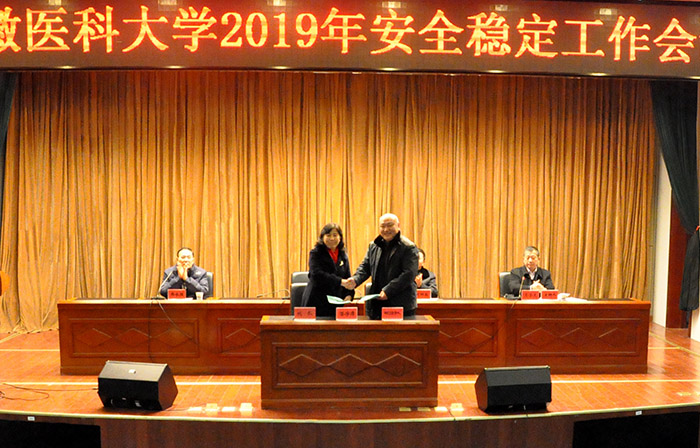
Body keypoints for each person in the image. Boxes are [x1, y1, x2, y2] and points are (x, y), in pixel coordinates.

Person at [342, 213, 419, 319]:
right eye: (383, 226)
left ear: (398, 225)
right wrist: (355, 280)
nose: (386, 229)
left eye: (390, 225)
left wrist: (388, 290)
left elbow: (409, 274)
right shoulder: (374, 245)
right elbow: (365, 267)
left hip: (400, 304)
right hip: (377, 303)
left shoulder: (408, 247)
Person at [300, 223, 355, 318]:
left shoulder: (343, 255)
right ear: (322, 237)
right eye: (328, 235)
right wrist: (340, 281)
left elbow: (347, 277)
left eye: (335, 235)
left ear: (340, 238)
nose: (332, 238)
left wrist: (349, 294)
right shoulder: (316, 253)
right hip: (317, 301)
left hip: (336, 303)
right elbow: (316, 275)